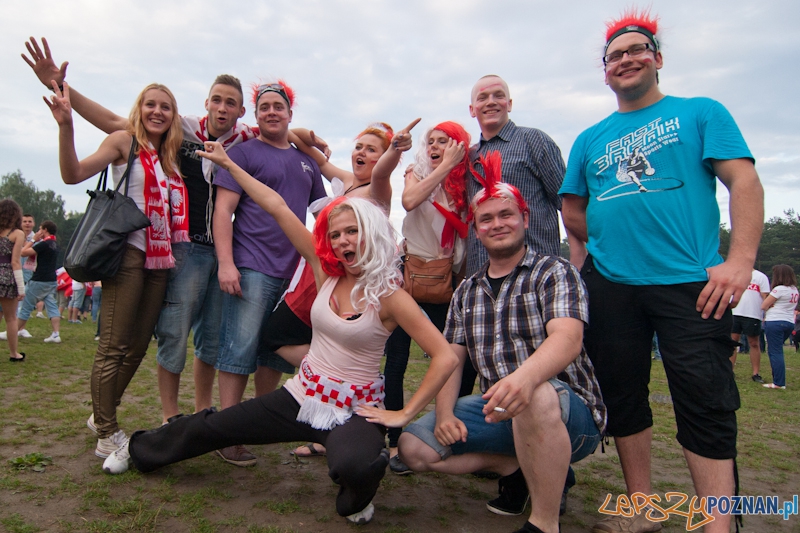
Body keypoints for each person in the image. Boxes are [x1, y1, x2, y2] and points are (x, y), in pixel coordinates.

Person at [101, 142, 459, 526]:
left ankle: (357, 500)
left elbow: (446, 356)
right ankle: (138, 450)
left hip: (354, 411)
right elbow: (277, 206)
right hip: (300, 396)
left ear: (369, 233)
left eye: (351, 231)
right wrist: (228, 165)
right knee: (217, 425)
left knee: (358, 465)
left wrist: (403, 412)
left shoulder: (390, 297)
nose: (342, 242)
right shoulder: (327, 274)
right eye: (335, 234)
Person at [21, 38, 330, 431]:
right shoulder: (180, 130)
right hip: (182, 250)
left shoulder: (245, 140)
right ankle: (169, 415)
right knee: (173, 335)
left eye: (230, 103)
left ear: (239, 111)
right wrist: (61, 88)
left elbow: (286, 129)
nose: (222, 107)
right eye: (216, 99)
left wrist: (311, 142)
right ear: (205, 103)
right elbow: (118, 123)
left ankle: (202, 413)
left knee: (212, 341)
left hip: (222, 250)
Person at [559, 9, 764, 533]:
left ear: (657, 59)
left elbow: (744, 183)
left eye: (636, 50)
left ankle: (719, 524)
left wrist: (739, 261)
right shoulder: (591, 137)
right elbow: (573, 209)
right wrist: (604, 241)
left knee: (705, 399)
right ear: (604, 72)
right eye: (615, 55)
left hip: (692, 283)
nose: (626, 60)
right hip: (612, 286)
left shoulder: (700, 113)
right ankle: (641, 509)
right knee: (622, 395)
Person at [398, 155, 605, 533]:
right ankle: (520, 466)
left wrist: (524, 379)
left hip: (568, 412)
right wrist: (444, 415)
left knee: (537, 393)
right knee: (414, 448)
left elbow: (568, 339)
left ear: (525, 219)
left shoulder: (554, 272)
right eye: (486, 219)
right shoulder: (466, 291)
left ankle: (544, 523)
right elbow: (450, 361)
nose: (498, 224)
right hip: (500, 409)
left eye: (506, 215)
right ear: (476, 231)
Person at [44, 80, 186, 460]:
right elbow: (73, 174)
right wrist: (66, 126)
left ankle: (100, 415)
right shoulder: (124, 141)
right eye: (150, 105)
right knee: (113, 346)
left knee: (138, 346)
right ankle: (107, 431)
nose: (157, 112)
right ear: (139, 109)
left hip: (160, 260)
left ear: (174, 117)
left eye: (166, 107)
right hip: (126, 255)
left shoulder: (171, 158)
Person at [260, 120, 418, 459]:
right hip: (322, 274)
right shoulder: (346, 182)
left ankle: (333, 393)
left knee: (280, 336)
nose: (361, 153)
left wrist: (394, 149)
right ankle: (325, 389)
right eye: (359, 146)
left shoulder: (378, 190)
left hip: (353, 282)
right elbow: (301, 145)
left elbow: (381, 173)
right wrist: (313, 138)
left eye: (370, 149)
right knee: (278, 336)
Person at [211, 80, 327, 466]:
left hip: (294, 275)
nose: (272, 112)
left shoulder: (306, 162)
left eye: (279, 106)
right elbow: (223, 211)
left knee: (274, 353)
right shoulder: (243, 154)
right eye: (265, 107)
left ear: (290, 115)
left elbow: (324, 216)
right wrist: (226, 263)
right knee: (238, 349)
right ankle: (228, 433)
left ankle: (255, 426)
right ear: (256, 115)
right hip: (251, 266)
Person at [383, 121, 469, 473]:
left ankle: (451, 434)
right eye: (430, 142)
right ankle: (393, 440)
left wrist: (453, 171)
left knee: (458, 362)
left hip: (452, 282)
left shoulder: (465, 183)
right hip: (414, 281)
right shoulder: (415, 173)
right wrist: (444, 166)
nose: (434, 146)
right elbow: (408, 200)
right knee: (397, 361)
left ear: (459, 146)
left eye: (444, 142)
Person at [466, 74, 580, 275]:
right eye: (482, 98)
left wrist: (578, 256)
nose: (491, 102)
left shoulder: (534, 141)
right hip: (483, 275)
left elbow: (566, 204)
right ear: (472, 109)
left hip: (535, 271)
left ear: (509, 104)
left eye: (498, 96)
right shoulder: (468, 156)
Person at [1, 221, 61, 344]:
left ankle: (11, 332)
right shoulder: (55, 244)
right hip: (51, 280)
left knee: (25, 307)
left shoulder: (44, 244)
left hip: (39, 280)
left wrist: (33, 239)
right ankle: (56, 334)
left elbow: (23, 252)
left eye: (40, 230)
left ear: (44, 230)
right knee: (52, 305)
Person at [761, 264, 798, 389]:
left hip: (775, 321)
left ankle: (779, 382)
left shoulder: (779, 289)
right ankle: (778, 379)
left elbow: (764, 305)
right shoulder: (794, 290)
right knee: (777, 350)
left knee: (775, 351)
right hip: (788, 322)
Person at [0, 200, 27, 361]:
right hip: (7, 277)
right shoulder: (17, 234)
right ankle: (13, 353)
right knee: (11, 318)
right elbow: (15, 262)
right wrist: (21, 288)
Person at [731, 269, 770, 382]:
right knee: (732, 342)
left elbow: (765, 296)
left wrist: (766, 314)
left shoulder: (760, 276)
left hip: (752, 314)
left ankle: (755, 373)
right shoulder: (734, 274)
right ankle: (730, 370)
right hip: (735, 312)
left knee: (753, 343)